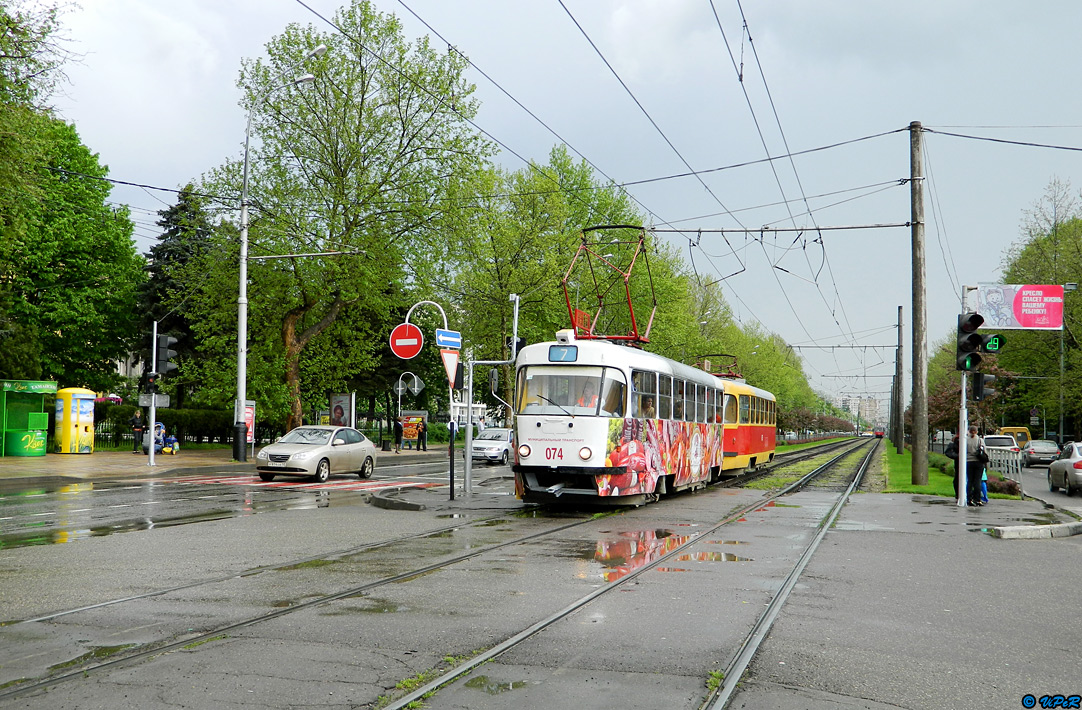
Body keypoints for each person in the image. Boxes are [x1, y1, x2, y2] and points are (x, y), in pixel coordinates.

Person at [965, 425, 986, 506]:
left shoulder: (966, 440)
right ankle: (977, 499)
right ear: (977, 431)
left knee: (970, 480)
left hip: (968, 461)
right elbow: (984, 450)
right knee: (977, 481)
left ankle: (969, 498)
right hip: (978, 462)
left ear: (969, 431)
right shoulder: (980, 440)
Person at [944, 433, 960, 501]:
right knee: (957, 478)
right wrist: (957, 456)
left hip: (968, 462)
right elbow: (948, 452)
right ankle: (958, 494)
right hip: (958, 462)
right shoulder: (955, 441)